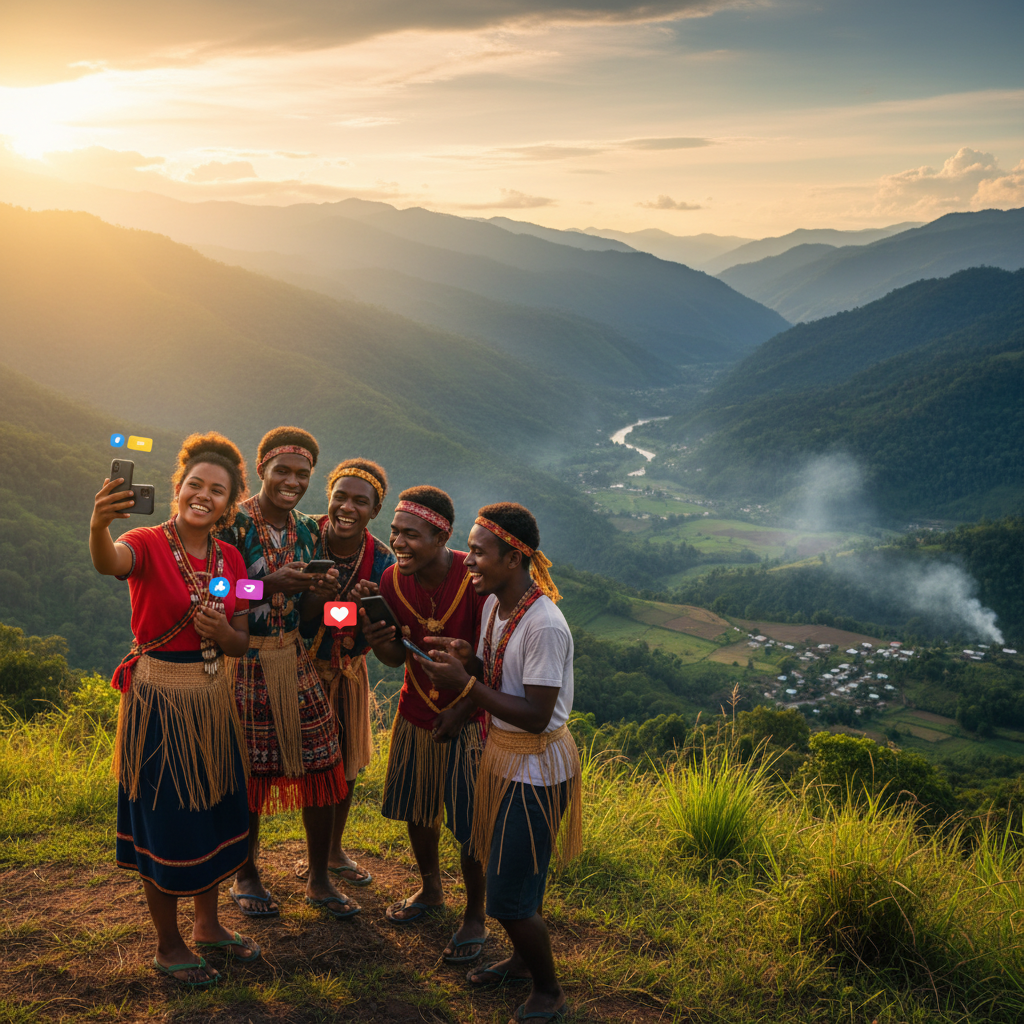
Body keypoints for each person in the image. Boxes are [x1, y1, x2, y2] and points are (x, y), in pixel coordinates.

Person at [91, 431, 258, 988]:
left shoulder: (233, 558)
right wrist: (98, 525)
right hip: (159, 703)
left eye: (217, 490)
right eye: (195, 485)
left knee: (211, 810)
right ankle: (169, 944)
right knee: (166, 819)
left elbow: (243, 637)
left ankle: (209, 925)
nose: (203, 495)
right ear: (178, 489)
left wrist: (223, 633)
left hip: (213, 703)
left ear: (230, 505)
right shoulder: (144, 541)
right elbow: (108, 561)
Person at [418, 502, 581, 1023]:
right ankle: (519, 963)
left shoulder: (545, 625)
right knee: (507, 875)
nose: (469, 562)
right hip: (501, 758)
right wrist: (467, 687)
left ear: (513, 559)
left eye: (480, 553)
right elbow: (494, 673)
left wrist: (464, 687)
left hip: (535, 769)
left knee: (511, 896)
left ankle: (549, 991)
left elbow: (535, 714)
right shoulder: (494, 606)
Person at [217, 427, 352, 920]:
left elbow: (313, 616)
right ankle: (245, 871)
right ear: (262, 471)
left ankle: (318, 878)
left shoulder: (311, 531)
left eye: (302, 474)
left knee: (323, 760)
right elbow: (212, 589)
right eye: (283, 471)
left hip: (293, 656)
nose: (292, 481)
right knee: (249, 770)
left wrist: (323, 590)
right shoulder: (230, 523)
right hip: (241, 658)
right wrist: (264, 583)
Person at [355, 486, 488, 964]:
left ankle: (476, 913)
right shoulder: (391, 581)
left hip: (471, 718)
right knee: (419, 808)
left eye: (411, 534)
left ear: (441, 537)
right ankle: (431, 889)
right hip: (416, 712)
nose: (399, 543)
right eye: (395, 533)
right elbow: (395, 658)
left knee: (472, 821)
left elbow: (496, 662)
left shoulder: (473, 581)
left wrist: (463, 708)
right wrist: (377, 638)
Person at [297, 458, 395, 887]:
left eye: (361, 501)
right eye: (340, 496)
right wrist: (339, 606)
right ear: (328, 498)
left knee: (345, 763)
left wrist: (360, 608)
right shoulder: (302, 540)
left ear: (375, 511)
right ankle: (252, 869)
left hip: (346, 671)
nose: (347, 507)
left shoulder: (383, 562)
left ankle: (333, 851)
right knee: (300, 765)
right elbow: (286, 610)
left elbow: (381, 632)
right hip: (294, 667)